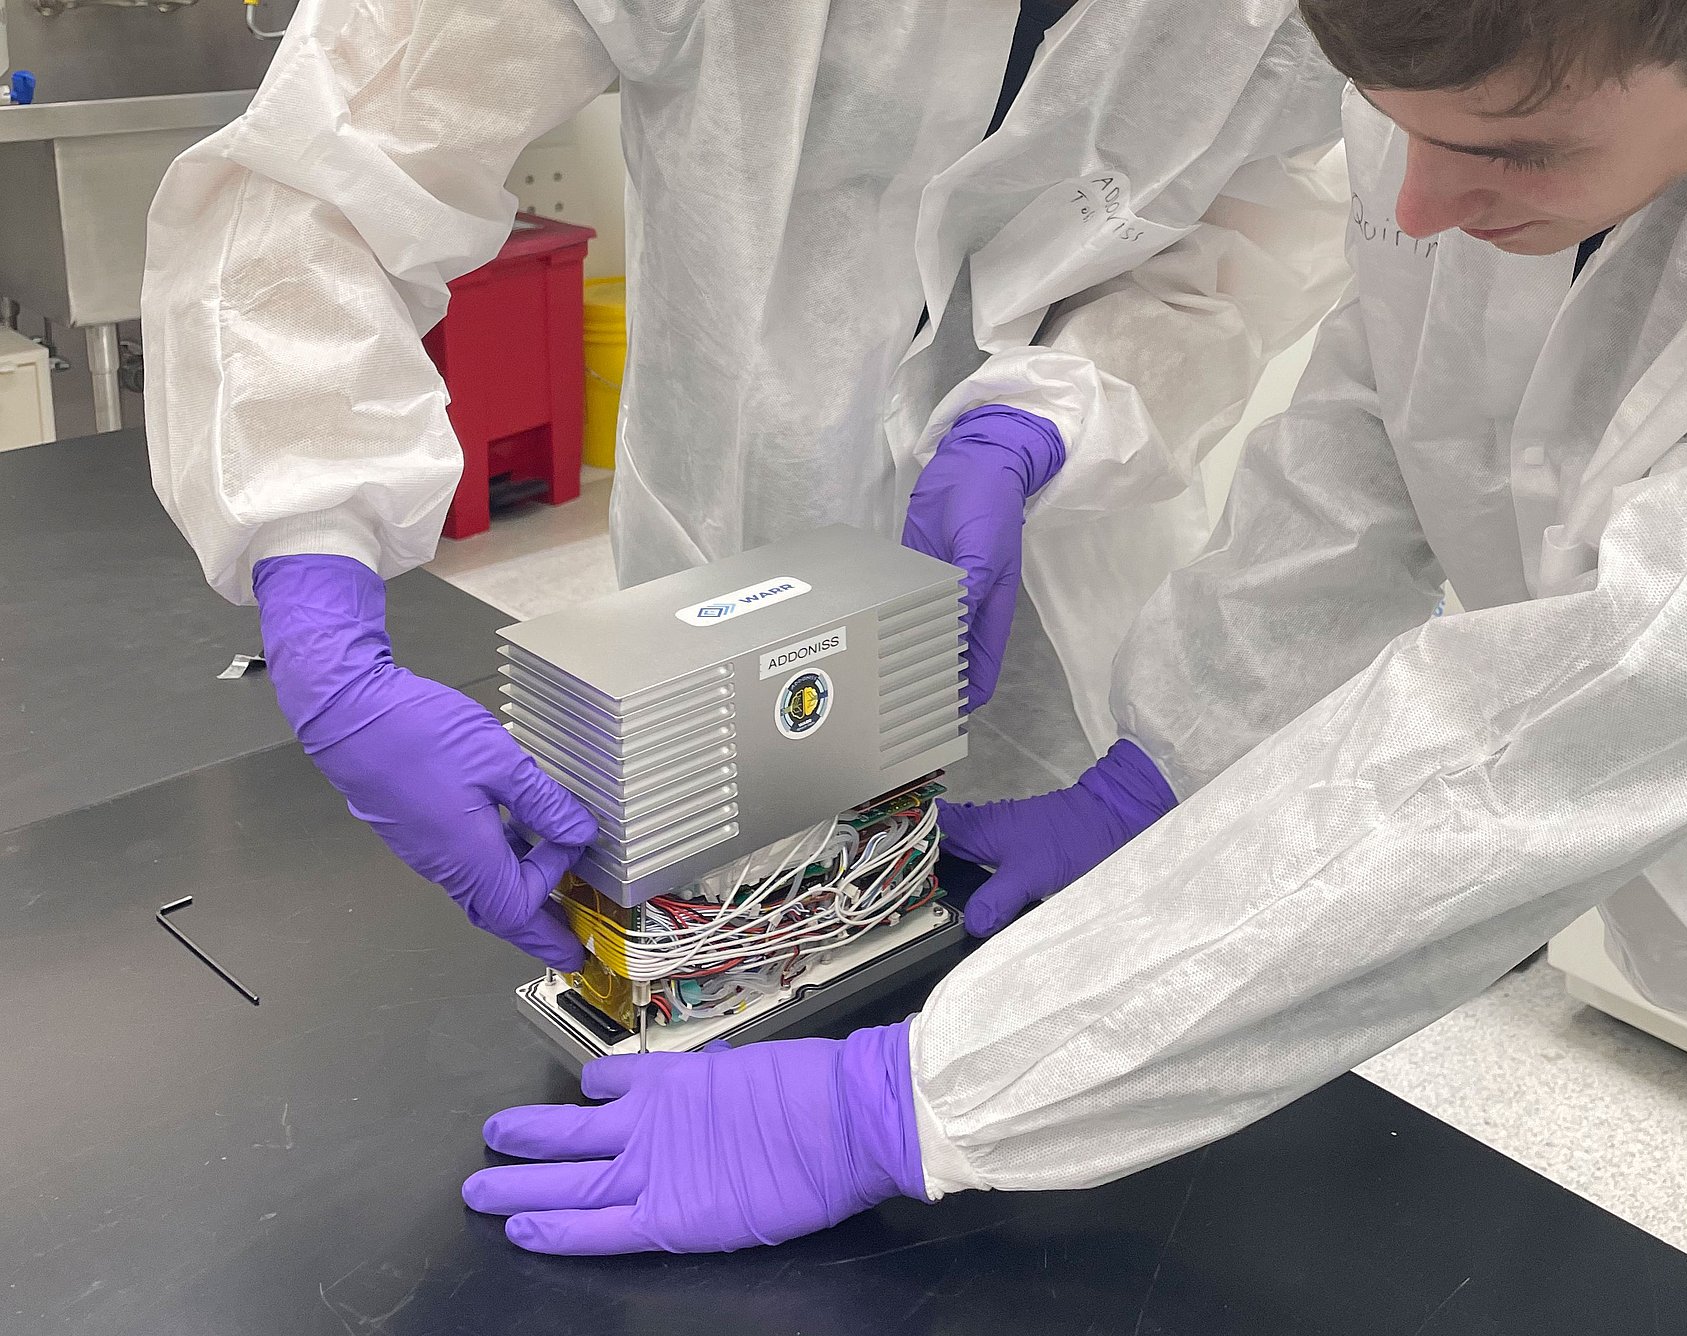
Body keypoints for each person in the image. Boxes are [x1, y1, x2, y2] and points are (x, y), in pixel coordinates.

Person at [457, 4, 1687, 1335]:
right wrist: (1164, 769)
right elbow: (1366, 463)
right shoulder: (1498, 112)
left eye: (1510, 153)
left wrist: (908, 1101)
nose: (1419, 204)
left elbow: (1527, 755)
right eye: (1397, 131)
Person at [141, 1, 1353, 969]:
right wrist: (313, 589)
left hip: (1068, 570)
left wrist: (1044, 417)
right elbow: (326, 167)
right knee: (719, 935)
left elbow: (1227, 230)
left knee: (1016, 983)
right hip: (734, 536)